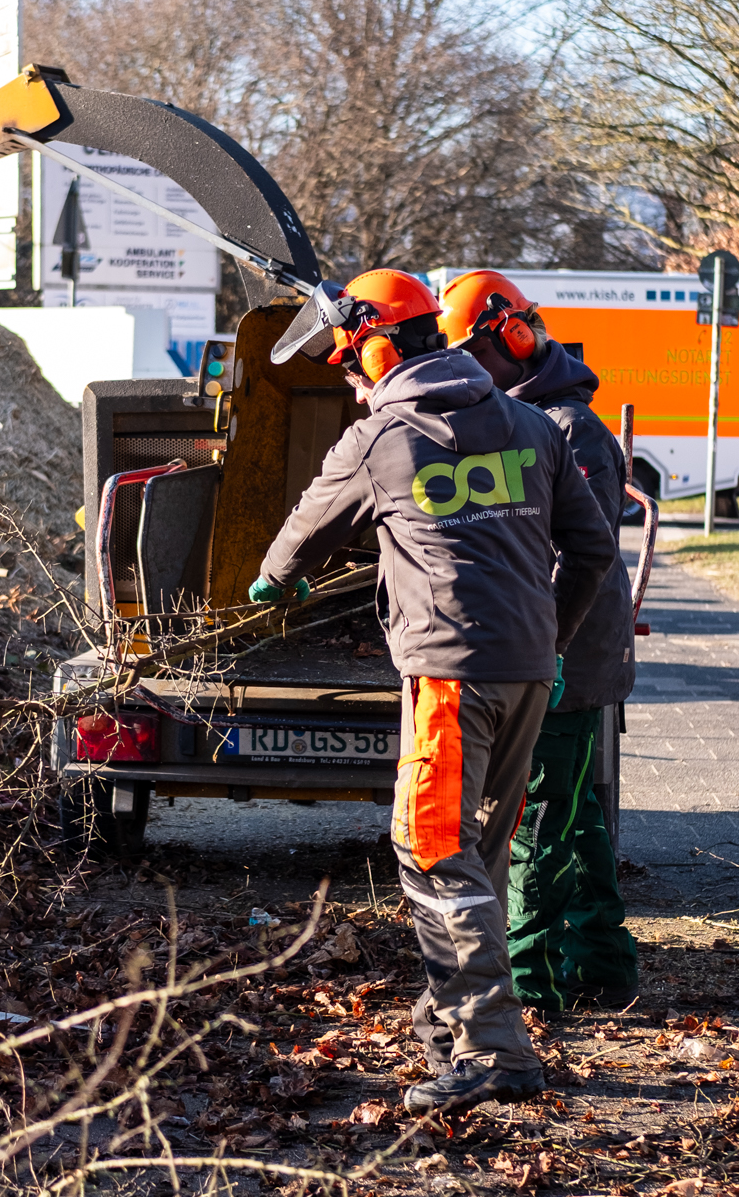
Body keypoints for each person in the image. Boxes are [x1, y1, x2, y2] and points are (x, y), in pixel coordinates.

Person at [249, 269, 618, 1114]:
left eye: (347, 365)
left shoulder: (380, 439)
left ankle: (494, 1050)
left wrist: (278, 586)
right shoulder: (531, 423)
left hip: (449, 677)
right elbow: (592, 551)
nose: (349, 381)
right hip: (528, 672)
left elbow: (292, 546)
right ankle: (445, 1018)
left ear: (375, 349)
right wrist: (551, 641)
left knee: (427, 849)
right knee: (477, 853)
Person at [437, 271, 640, 1014]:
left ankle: (532, 981)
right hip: (543, 651)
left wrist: (542, 650)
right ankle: (606, 966)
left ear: (512, 340)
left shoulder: (568, 430)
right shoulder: (514, 419)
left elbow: (575, 555)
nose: (460, 372)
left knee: (540, 826)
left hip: (569, 657)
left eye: (468, 356)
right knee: (578, 815)